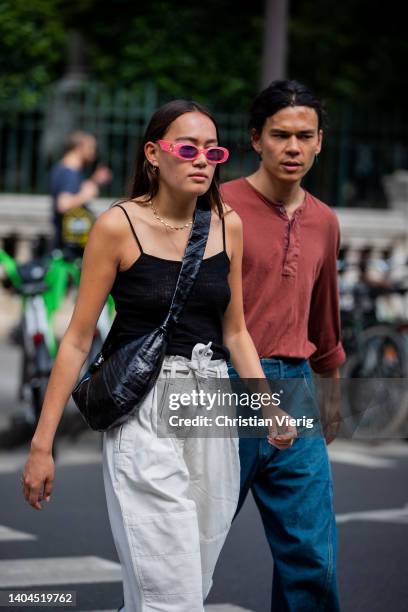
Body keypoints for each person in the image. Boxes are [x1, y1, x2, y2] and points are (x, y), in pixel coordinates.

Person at [21, 100, 296, 612]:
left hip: (210, 409)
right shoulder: (116, 227)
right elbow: (78, 338)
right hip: (143, 411)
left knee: (183, 580)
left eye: (211, 150)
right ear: (153, 153)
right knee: (174, 596)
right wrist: (43, 444)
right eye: (187, 148)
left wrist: (268, 405)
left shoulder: (226, 224)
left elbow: (235, 331)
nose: (201, 160)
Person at [221, 80, 346, 611]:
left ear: (319, 142)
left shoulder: (324, 221)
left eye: (304, 136)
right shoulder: (218, 205)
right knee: (184, 553)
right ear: (256, 139)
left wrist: (333, 395)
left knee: (312, 559)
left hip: (294, 388)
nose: (292, 147)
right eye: (280, 135)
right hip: (218, 388)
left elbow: (326, 318)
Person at [50, 130, 112, 256]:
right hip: (69, 245)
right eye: (90, 148)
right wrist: (87, 194)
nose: (93, 153)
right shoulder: (69, 172)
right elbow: (63, 204)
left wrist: (94, 181)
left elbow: (74, 192)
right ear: (78, 148)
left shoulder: (65, 169)